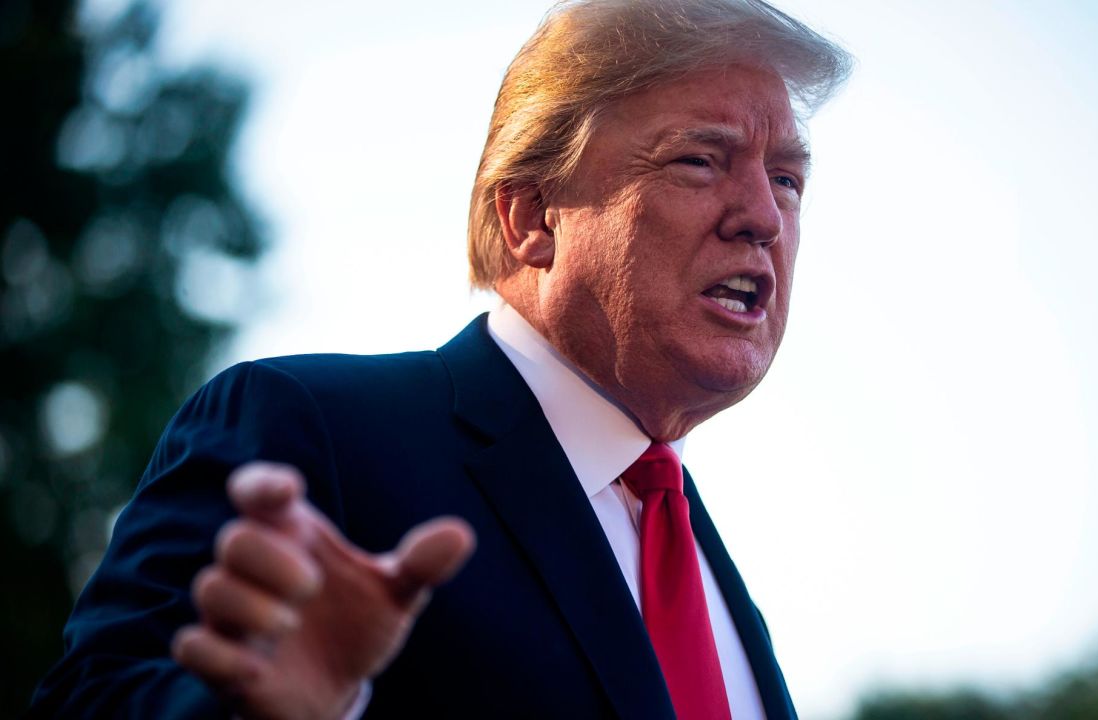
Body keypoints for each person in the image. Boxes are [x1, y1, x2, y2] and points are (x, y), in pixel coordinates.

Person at [30, 0, 850, 717]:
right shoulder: (310, 428)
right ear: (532, 215)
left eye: (787, 179)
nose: (762, 218)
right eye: (700, 161)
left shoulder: (707, 565)